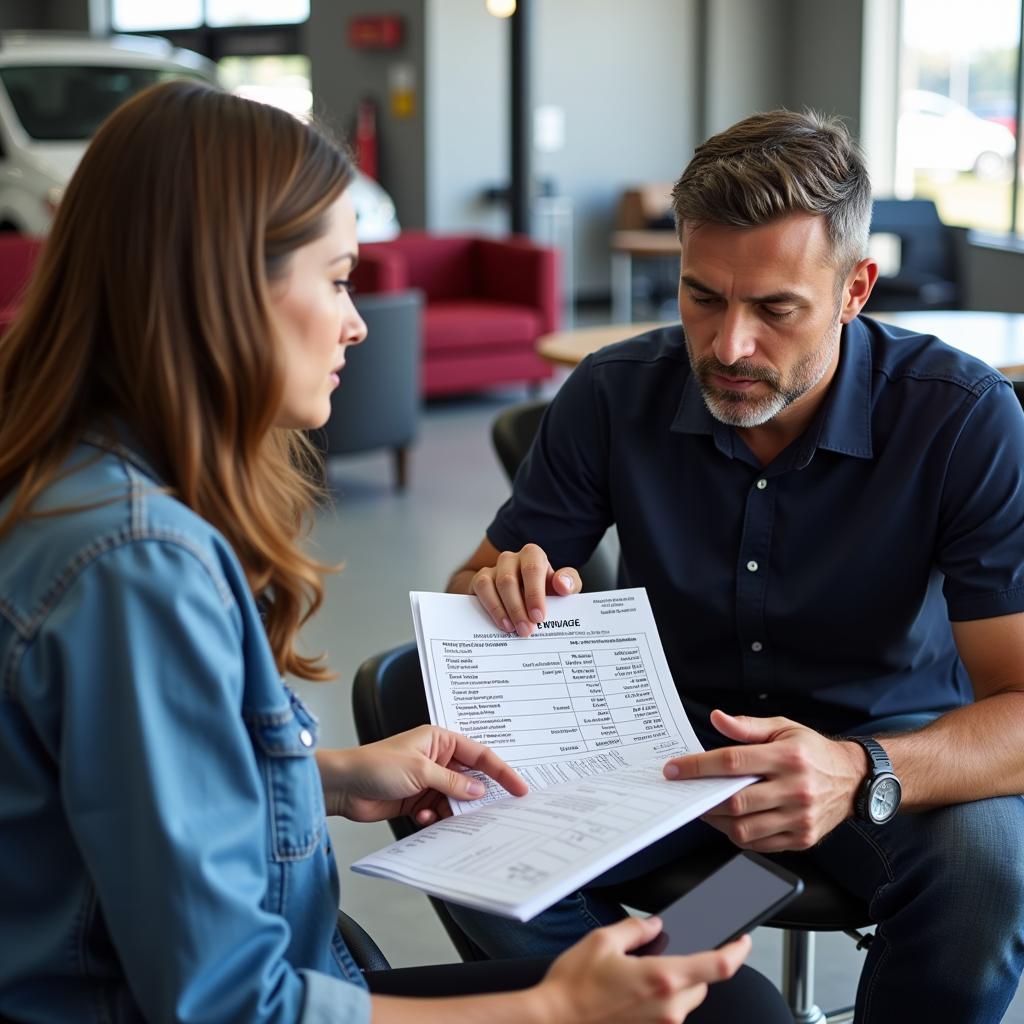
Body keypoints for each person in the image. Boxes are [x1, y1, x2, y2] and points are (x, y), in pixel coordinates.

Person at [0, 81, 796, 1024]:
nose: (357, 322)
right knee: (727, 1003)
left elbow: (122, 787)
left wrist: (330, 776)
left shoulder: (73, 487)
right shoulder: (137, 565)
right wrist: (557, 1012)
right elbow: (225, 1006)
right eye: (337, 278)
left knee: (719, 968)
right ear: (224, 284)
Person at [447, 108, 1024, 1023]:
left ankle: (709, 955)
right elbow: (470, 598)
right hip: (661, 766)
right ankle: (702, 1003)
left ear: (855, 289)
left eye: (775, 308)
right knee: (457, 816)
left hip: (884, 757)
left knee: (989, 873)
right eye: (702, 296)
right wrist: (495, 596)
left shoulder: (960, 418)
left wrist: (861, 767)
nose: (728, 348)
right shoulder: (613, 391)